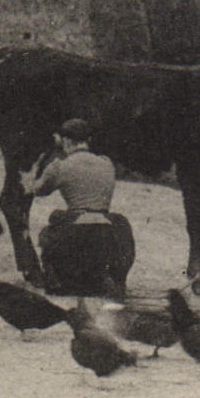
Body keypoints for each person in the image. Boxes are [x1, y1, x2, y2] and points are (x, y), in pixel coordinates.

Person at [32, 118, 135, 298]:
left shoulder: (60, 166)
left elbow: (38, 190)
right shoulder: (106, 163)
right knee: (119, 222)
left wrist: (43, 162)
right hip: (106, 232)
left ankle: (60, 279)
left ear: (65, 141)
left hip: (77, 232)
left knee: (51, 226)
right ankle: (112, 278)